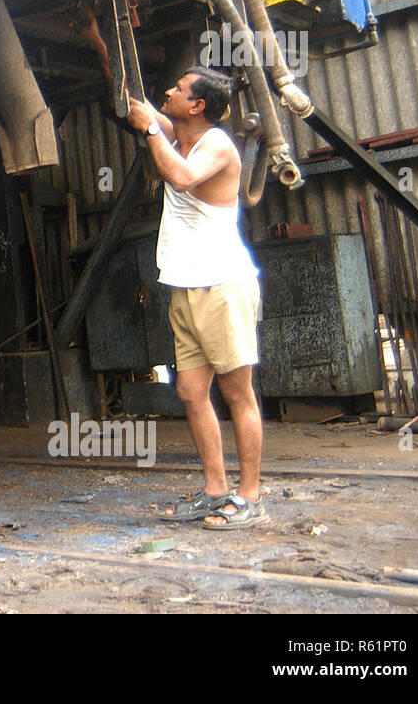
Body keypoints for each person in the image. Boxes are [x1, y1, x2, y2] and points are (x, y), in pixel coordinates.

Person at [127, 70, 268, 529]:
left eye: (178, 89)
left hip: (223, 285)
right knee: (190, 392)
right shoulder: (178, 135)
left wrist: (150, 129)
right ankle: (214, 489)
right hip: (185, 287)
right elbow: (134, 100)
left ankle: (249, 496)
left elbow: (182, 178)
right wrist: (101, 35)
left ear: (196, 107)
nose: (168, 91)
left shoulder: (216, 145)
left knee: (237, 393)